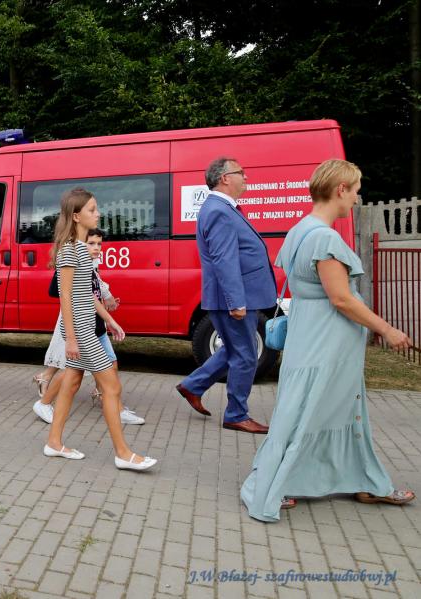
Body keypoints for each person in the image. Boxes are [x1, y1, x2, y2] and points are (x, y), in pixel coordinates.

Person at [241, 159, 415, 521]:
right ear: (340, 189)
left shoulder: (300, 229)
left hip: (311, 336)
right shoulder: (324, 238)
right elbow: (341, 299)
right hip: (326, 341)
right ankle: (281, 482)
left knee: (328, 409)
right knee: (312, 410)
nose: (356, 198)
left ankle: (364, 479)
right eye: (355, 190)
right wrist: (387, 329)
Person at [44, 188, 156, 471]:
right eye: (92, 210)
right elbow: (66, 296)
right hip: (80, 331)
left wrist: (110, 320)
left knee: (71, 383)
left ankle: (54, 442)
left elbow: (88, 294)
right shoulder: (69, 250)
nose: (98, 214)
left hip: (87, 327)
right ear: (76, 216)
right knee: (111, 386)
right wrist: (71, 338)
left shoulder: (82, 249)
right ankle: (123, 453)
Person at [175, 157, 276, 434]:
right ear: (225, 178)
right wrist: (236, 302)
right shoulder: (219, 211)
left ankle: (193, 386)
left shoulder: (222, 208)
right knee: (245, 356)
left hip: (237, 296)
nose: (246, 177)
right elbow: (225, 261)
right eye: (241, 172)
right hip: (235, 299)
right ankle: (236, 414)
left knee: (234, 349)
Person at [32, 229, 144, 426]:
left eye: (99, 244)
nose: (96, 248)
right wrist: (73, 334)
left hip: (95, 326)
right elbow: (62, 292)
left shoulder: (91, 264)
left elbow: (94, 296)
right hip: (82, 326)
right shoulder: (74, 263)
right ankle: (46, 404)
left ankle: (113, 408)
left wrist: (109, 320)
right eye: (91, 243)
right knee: (76, 372)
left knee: (101, 367)